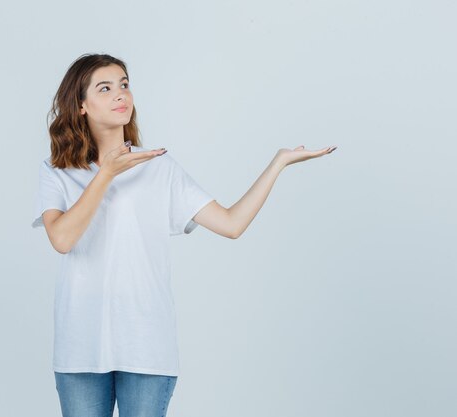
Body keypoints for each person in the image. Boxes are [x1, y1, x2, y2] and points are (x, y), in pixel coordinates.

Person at [32, 53, 336, 417]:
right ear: (81, 105)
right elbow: (62, 240)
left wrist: (278, 163)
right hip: (80, 345)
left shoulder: (159, 168)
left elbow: (231, 224)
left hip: (146, 344)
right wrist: (106, 174)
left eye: (124, 85)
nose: (120, 95)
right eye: (106, 88)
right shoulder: (58, 171)